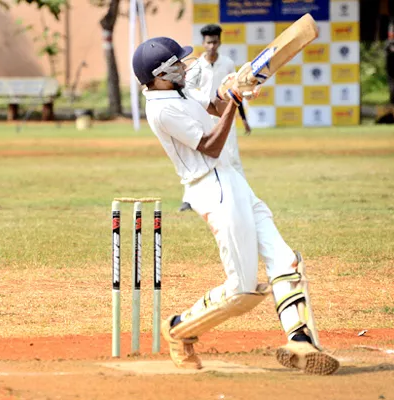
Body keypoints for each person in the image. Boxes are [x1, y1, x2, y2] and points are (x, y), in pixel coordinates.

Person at [132, 37, 339, 375]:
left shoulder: (177, 92)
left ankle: (300, 339)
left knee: (285, 258)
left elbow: (213, 106)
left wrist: (235, 88)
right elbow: (211, 146)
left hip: (231, 181)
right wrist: (235, 102)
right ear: (160, 74)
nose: (185, 66)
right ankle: (179, 330)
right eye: (178, 63)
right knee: (241, 291)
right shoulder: (162, 108)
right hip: (211, 189)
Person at [186, 24, 251, 179]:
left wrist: (243, 118)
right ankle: (190, 198)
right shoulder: (197, 65)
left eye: (215, 42)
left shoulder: (227, 63)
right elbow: (187, 91)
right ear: (203, 43)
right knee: (201, 156)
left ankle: (243, 194)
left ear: (220, 42)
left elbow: (237, 92)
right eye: (208, 42)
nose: (212, 46)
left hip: (225, 115)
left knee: (232, 154)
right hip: (203, 116)